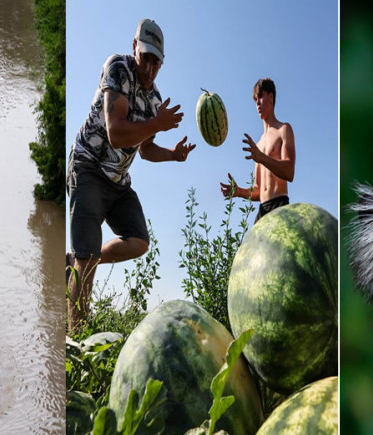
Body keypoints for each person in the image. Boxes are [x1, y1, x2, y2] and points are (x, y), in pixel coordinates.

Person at [66, 19, 196, 332]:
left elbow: (145, 147)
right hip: (88, 168)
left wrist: (172, 155)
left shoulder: (154, 101)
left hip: (118, 183)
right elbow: (116, 133)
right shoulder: (118, 69)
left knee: (138, 242)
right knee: (87, 263)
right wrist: (158, 124)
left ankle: (78, 260)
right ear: (134, 47)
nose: (150, 68)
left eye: (156, 62)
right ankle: (77, 342)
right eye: (146, 57)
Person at [220, 78, 296, 222]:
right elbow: (258, 190)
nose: (258, 103)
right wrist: (239, 192)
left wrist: (262, 158)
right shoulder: (259, 144)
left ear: (271, 97)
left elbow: (289, 171)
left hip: (279, 206)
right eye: (255, 99)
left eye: (260, 97)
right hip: (262, 209)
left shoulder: (284, 130)